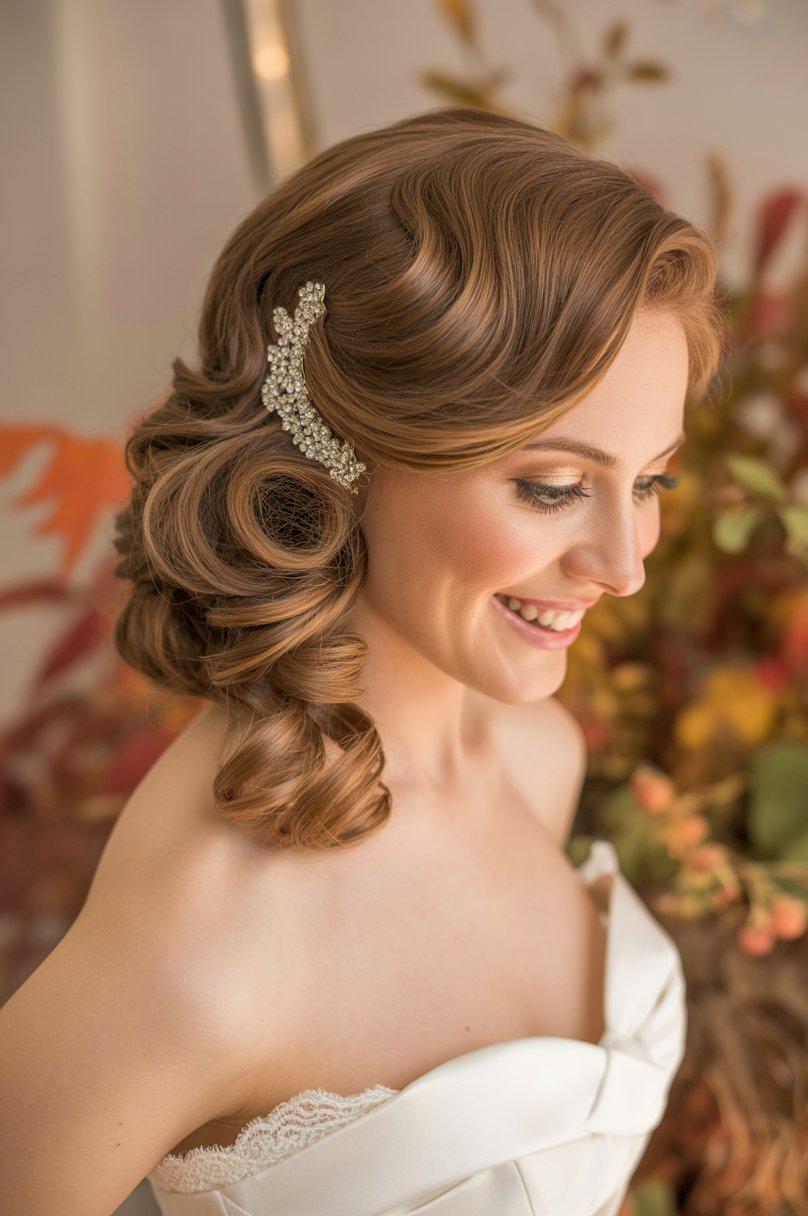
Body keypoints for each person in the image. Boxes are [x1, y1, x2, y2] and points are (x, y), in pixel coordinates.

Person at [0, 105, 723, 1215]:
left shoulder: (535, 757)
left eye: (651, 481)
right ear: (341, 447)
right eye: (552, 486)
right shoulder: (208, 940)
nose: (624, 563)